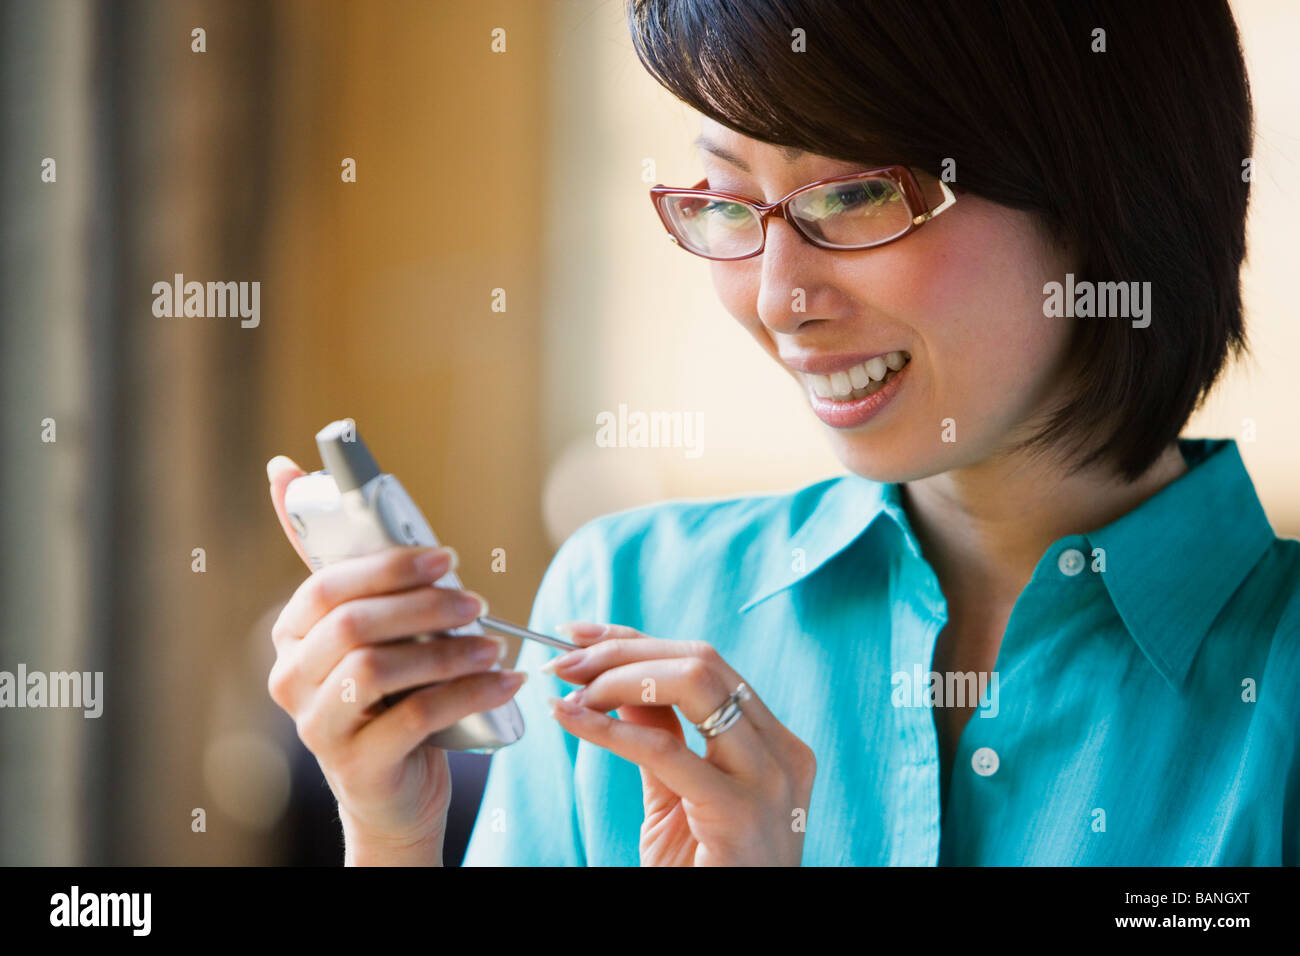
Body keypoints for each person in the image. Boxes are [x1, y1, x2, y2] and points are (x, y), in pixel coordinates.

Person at [265, 0, 1300, 866]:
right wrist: (391, 831)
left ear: (1108, 189)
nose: (776, 296)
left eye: (853, 193)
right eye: (725, 200)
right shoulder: (625, 593)